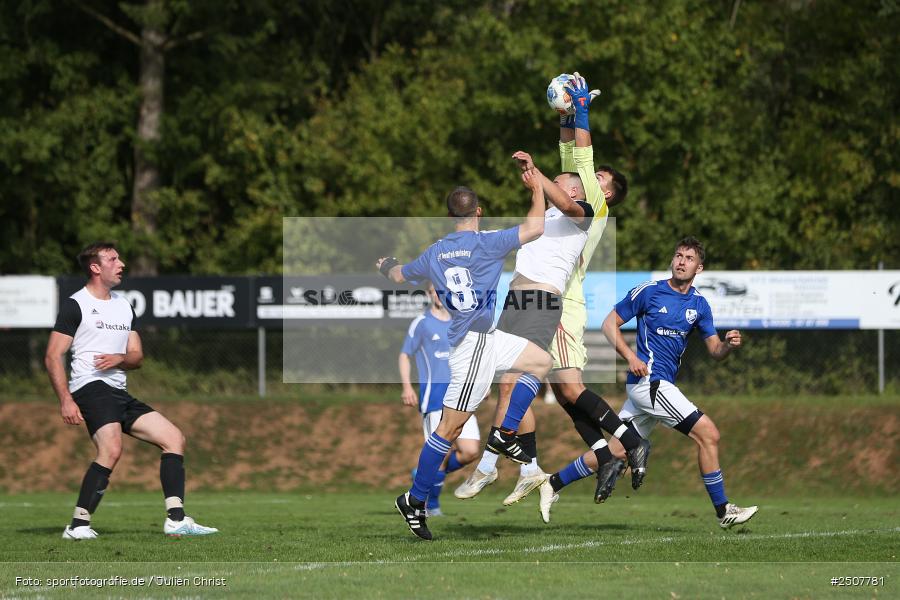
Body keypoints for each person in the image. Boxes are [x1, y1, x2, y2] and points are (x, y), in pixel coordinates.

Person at [455, 73, 650, 515]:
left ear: (604, 192)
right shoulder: (573, 189)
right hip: (530, 293)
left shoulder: (592, 207)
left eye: (598, 175)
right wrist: (567, 117)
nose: (590, 172)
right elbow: (572, 155)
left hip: (560, 302)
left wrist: (581, 113)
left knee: (559, 385)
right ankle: (595, 456)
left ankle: (623, 443)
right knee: (551, 390)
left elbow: (578, 162)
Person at [378, 169, 551, 541]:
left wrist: (386, 265)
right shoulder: (488, 242)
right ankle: (414, 499)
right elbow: (535, 227)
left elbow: (397, 276)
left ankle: (504, 434)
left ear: (450, 216)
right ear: (479, 212)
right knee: (449, 429)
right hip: (471, 347)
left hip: (487, 337)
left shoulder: (433, 252)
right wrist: (537, 187)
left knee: (540, 360)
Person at [552, 237, 759, 529]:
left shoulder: (700, 304)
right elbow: (610, 323)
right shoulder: (650, 292)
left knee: (616, 450)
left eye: (688, 258)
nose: (681, 261)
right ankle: (724, 510)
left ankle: (552, 483)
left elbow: (715, 352)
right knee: (708, 434)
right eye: (678, 255)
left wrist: (727, 344)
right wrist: (629, 357)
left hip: (655, 389)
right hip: (649, 383)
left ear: (699, 267)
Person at [45, 242, 217, 539]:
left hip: (118, 391)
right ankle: (78, 526)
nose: (121, 263)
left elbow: (137, 355)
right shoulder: (77, 305)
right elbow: (52, 355)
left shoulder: (124, 305)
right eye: (113, 259)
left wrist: (121, 358)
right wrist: (65, 400)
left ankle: (176, 520)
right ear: (95, 268)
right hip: (90, 387)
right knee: (111, 449)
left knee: (174, 438)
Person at [399, 282, 480, 516]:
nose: (437, 294)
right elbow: (405, 355)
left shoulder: (460, 322)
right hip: (435, 399)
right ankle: (431, 506)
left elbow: (471, 357)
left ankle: (423, 476)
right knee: (441, 453)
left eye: (441, 290)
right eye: (433, 290)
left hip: (461, 396)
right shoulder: (422, 323)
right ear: (428, 294)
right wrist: (407, 387)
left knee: (470, 451)